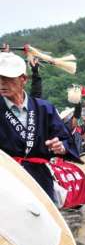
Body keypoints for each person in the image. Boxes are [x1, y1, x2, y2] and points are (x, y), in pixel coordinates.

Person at [0, 52, 79, 201]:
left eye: (7, 79)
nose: (2, 83)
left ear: (23, 79)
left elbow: (66, 140)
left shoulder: (44, 108)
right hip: (7, 180)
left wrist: (61, 146)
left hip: (40, 179)